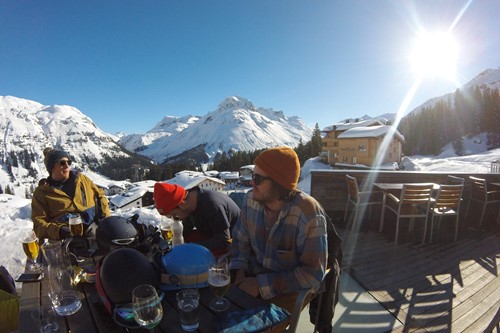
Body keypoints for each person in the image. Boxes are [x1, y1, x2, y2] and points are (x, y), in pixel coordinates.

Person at [229, 146, 328, 332]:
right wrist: (239, 270)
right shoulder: (251, 200)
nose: (252, 183)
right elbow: (240, 240)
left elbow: (313, 274)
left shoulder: (307, 213)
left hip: (288, 289)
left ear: (280, 184)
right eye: (252, 176)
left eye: (258, 179)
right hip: (252, 276)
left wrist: (260, 285)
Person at [31, 147, 111, 240]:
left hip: (97, 231)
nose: (66, 166)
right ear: (52, 167)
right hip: (68, 241)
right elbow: (39, 225)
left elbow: (100, 195)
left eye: (68, 162)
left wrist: (105, 219)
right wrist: (60, 231)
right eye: (62, 163)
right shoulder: (42, 193)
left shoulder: (82, 179)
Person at [153, 182, 240, 255]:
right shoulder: (189, 204)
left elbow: (223, 240)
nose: (174, 219)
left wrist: (191, 247)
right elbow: (186, 231)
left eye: (174, 215)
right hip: (212, 235)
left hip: (237, 242)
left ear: (182, 204)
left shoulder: (211, 205)